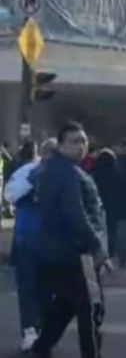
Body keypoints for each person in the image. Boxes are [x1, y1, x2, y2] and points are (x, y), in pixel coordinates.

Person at [31, 122, 110, 358]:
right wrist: (96, 245)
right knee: (91, 308)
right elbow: (75, 214)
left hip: (60, 250)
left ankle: (41, 347)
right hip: (77, 251)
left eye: (83, 141)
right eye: (74, 141)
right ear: (61, 144)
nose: (81, 146)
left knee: (66, 305)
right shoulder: (65, 173)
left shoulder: (54, 169)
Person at [4, 139, 54, 352]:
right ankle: (30, 331)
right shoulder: (28, 170)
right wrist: (34, 178)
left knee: (48, 291)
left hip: (54, 244)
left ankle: (43, 329)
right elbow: (10, 194)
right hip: (28, 242)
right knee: (28, 289)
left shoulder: (70, 174)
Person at [92, 149, 123, 259]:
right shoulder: (118, 173)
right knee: (112, 230)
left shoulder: (94, 174)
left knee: (101, 230)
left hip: (99, 205)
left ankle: (103, 252)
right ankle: (112, 252)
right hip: (114, 205)